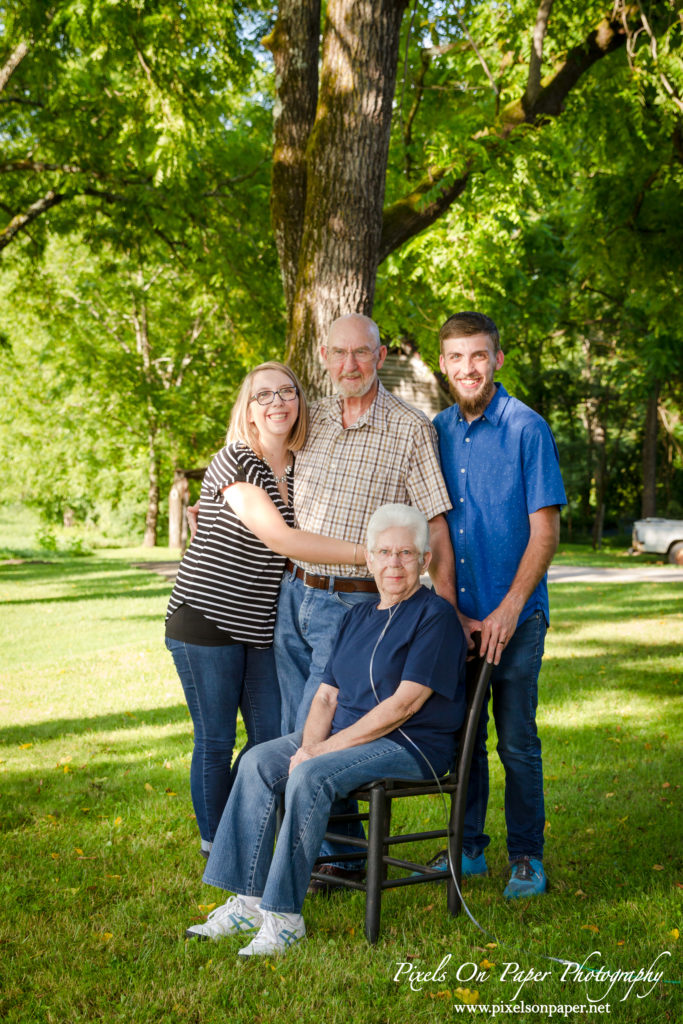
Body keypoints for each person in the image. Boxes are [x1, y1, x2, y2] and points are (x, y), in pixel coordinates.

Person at [184, 504, 466, 956]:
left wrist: (319, 754)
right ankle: (248, 902)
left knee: (311, 774)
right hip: (349, 736)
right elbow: (326, 697)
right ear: (369, 559)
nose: (394, 563)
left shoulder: (434, 617)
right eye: (384, 553)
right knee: (257, 761)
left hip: (411, 744)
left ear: (424, 561)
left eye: (406, 554)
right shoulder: (357, 616)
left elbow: (403, 705)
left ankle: (284, 919)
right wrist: (310, 744)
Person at [273, 313, 455, 889]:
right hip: (297, 592)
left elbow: (436, 526)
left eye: (362, 354)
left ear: (379, 358)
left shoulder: (410, 428)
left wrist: (443, 613)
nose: (349, 365)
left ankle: (333, 861)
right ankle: (337, 855)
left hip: (355, 605)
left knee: (323, 730)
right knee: (296, 730)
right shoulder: (313, 419)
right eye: (338, 353)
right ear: (323, 357)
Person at [165, 362, 366, 859]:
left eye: (286, 392)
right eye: (263, 396)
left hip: (259, 627)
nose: (277, 402)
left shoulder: (297, 468)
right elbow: (282, 538)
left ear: (299, 402)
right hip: (206, 619)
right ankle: (218, 850)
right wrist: (371, 554)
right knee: (215, 739)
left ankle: (245, 830)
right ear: (248, 411)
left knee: (270, 740)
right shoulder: (237, 460)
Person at [431, 311, 566, 899]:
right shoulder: (431, 430)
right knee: (463, 738)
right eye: (457, 357)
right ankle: (468, 846)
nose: (468, 368)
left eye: (478, 356)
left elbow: (545, 531)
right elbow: (430, 528)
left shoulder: (526, 428)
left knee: (515, 740)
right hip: (456, 620)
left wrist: (510, 607)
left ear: (498, 360)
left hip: (517, 617)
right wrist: (450, 610)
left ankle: (527, 857)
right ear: (442, 364)